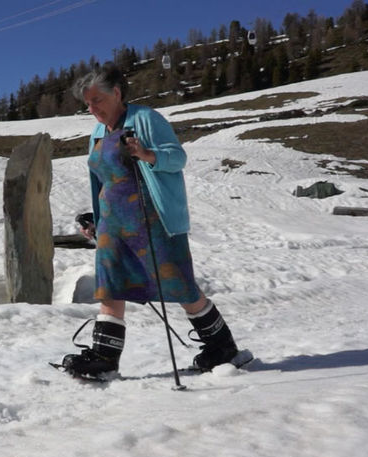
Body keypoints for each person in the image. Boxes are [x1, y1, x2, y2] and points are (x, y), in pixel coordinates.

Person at [60, 62, 251, 377]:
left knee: (178, 283)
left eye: (98, 101)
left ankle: (222, 347)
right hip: (112, 222)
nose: (92, 109)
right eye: (88, 103)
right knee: (110, 286)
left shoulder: (145, 119)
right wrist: (95, 216)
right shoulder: (96, 132)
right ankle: (105, 358)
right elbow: (105, 177)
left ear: (117, 93)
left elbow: (178, 157)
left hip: (152, 220)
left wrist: (148, 155)